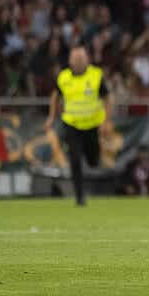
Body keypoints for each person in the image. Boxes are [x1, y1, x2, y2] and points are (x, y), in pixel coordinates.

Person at [45, 45, 112, 206]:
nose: (79, 62)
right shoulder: (63, 77)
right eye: (76, 59)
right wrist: (51, 117)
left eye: (82, 58)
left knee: (93, 160)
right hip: (72, 124)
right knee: (75, 159)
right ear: (70, 61)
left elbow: (107, 98)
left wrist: (106, 120)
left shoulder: (96, 76)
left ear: (87, 60)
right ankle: (79, 196)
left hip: (92, 125)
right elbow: (55, 96)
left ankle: (93, 159)